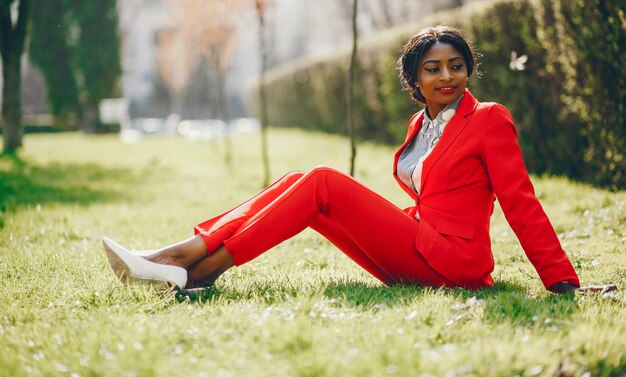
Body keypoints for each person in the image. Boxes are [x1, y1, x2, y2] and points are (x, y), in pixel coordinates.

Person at [102, 25, 580, 294]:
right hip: (418, 248)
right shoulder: (422, 125)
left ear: (468, 70)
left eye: (456, 66)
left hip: (453, 264)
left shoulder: (489, 118)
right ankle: (185, 254)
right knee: (300, 180)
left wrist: (561, 282)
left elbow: (521, 201)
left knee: (324, 182)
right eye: (433, 69)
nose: (447, 76)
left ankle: (197, 267)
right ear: (416, 80)